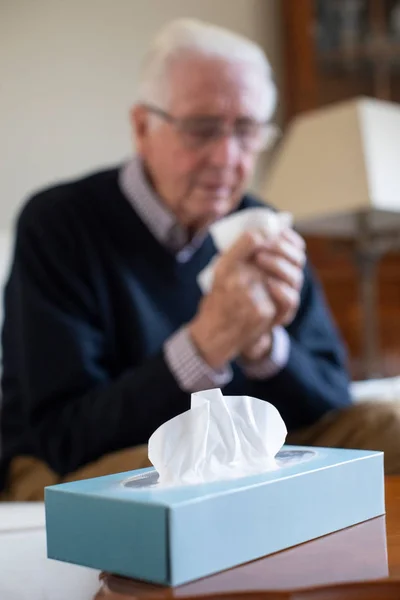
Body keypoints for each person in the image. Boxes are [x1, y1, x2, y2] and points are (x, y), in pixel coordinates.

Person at [1, 19, 399, 501]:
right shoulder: (59, 223)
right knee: (197, 480)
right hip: (87, 457)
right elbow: (64, 437)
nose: (227, 158)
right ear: (142, 127)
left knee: (386, 428)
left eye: (247, 130)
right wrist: (204, 346)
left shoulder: (261, 223)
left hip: (232, 448)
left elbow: (333, 400)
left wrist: (263, 347)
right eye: (201, 129)